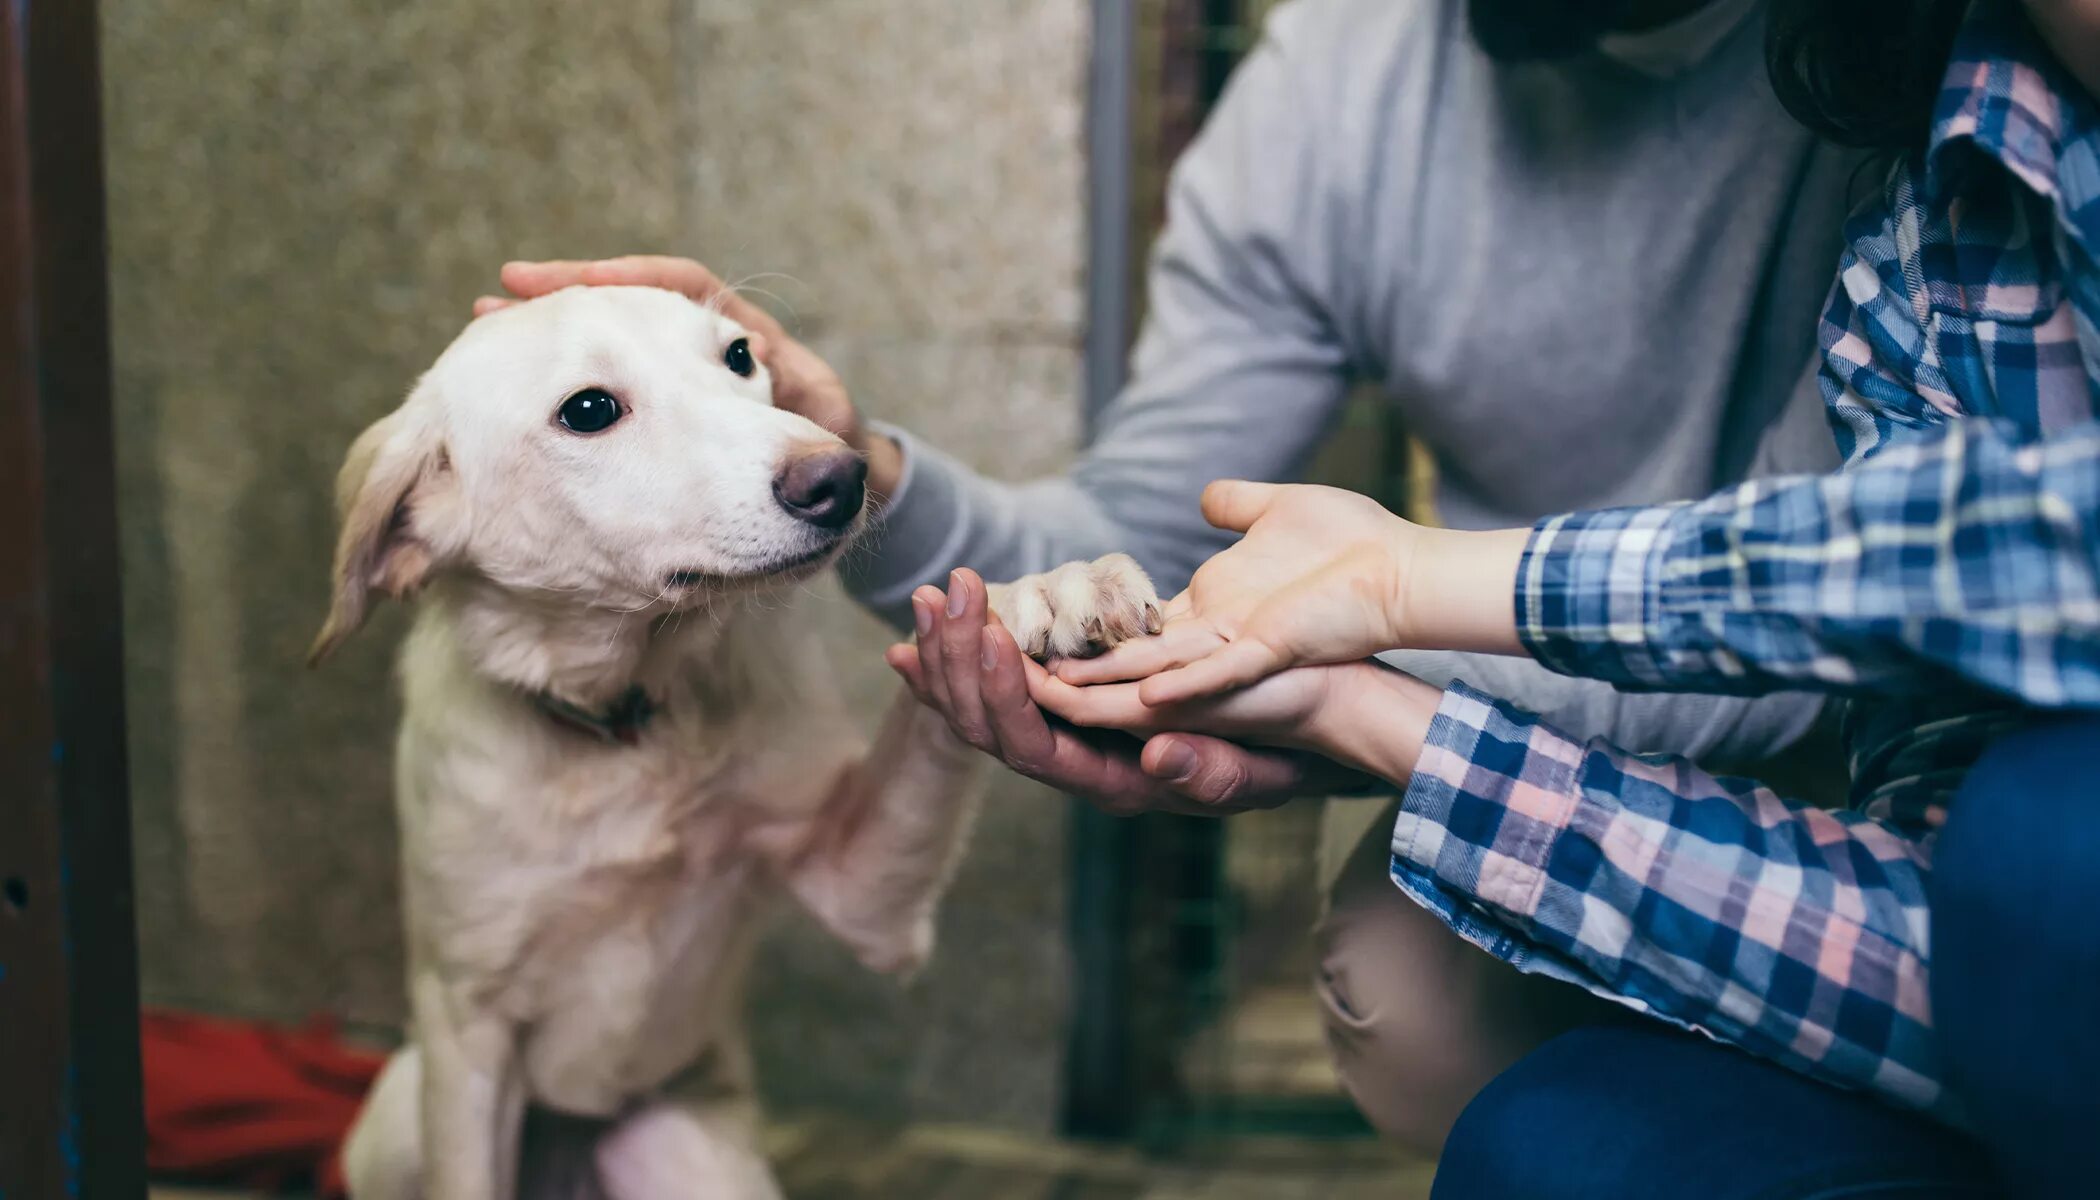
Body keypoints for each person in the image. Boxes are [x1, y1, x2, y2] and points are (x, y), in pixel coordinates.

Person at [485, 0, 1869, 1150]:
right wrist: (865, 481)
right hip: (1534, 692)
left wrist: (1361, 697)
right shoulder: (1339, 84)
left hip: (1895, 699)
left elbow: (1865, 583)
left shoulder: (1906, 64)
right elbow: (1140, 543)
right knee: (1408, 1000)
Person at [984, 0, 2100, 1193]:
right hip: (1856, 799)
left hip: (1800, 726)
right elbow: (1957, 948)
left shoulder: (1836, 136)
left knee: (2041, 844)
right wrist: (1352, 715)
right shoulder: (1941, 194)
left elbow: (1948, 564)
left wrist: (1414, 589)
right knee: (1543, 1148)